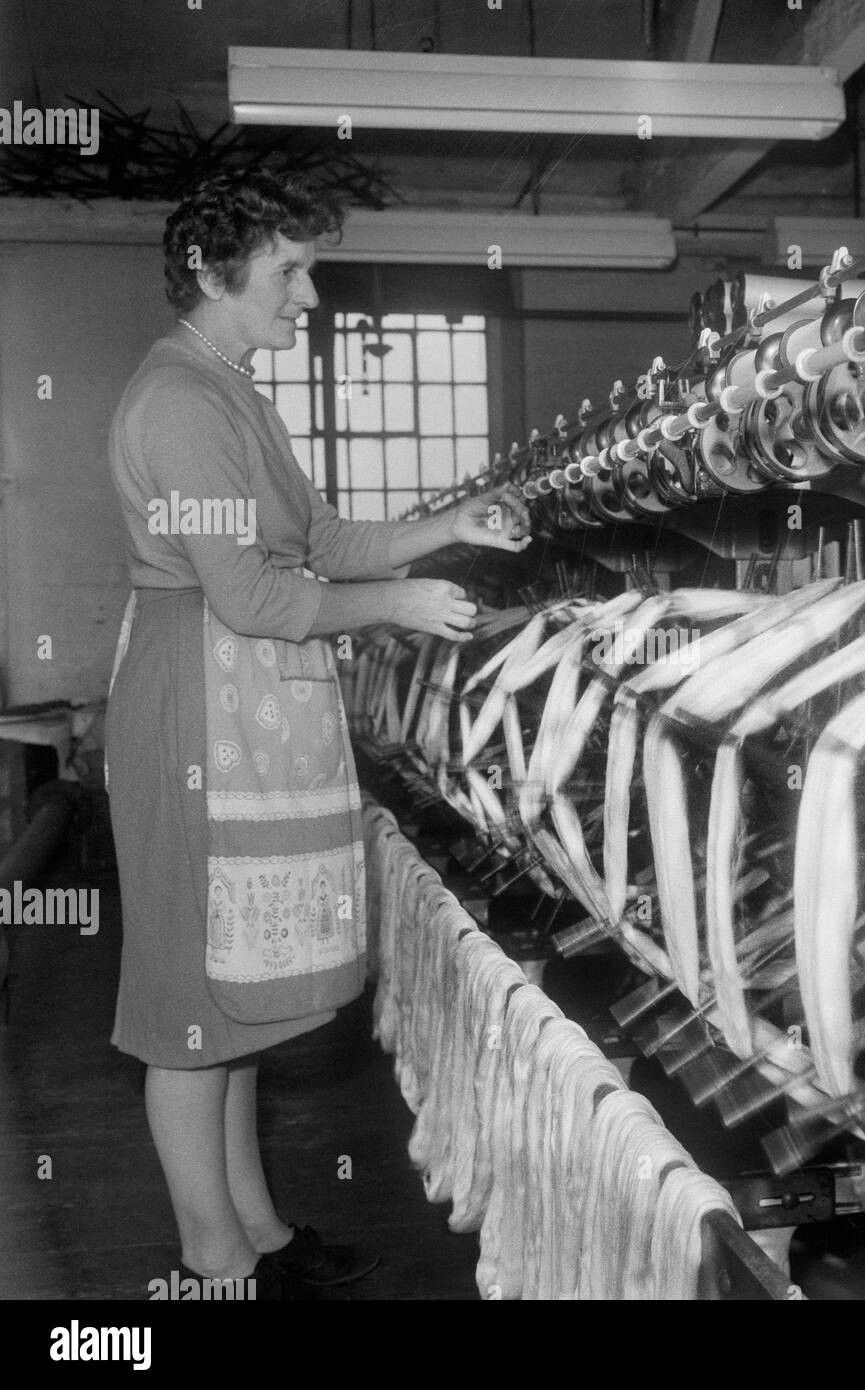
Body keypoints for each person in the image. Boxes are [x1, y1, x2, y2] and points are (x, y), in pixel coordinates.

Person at [104, 169, 531, 1299]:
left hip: (240, 693)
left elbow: (324, 539)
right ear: (212, 271)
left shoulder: (231, 390)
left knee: (234, 996)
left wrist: (449, 525)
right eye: (290, 269)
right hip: (193, 701)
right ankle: (212, 1261)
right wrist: (399, 605)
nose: (310, 293)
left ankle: (258, 1234)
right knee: (190, 1006)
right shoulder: (180, 404)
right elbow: (247, 593)